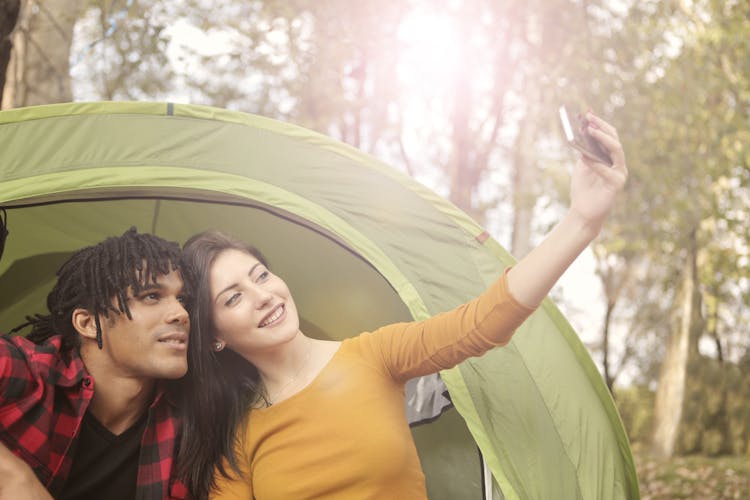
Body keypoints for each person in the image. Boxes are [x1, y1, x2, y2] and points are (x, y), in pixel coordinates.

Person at [176, 112, 628, 499]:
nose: (263, 296)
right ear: (214, 335)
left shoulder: (374, 355)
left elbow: (485, 321)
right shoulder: (235, 439)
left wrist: (582, 221)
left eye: (260, 276)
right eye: (233, 297)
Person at [0, 228, 191, 500]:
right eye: (151, 296)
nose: (181, 314)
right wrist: (12, 477)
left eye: (182, 299)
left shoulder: (191, 422)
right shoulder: (27, 370)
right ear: (88, 323)